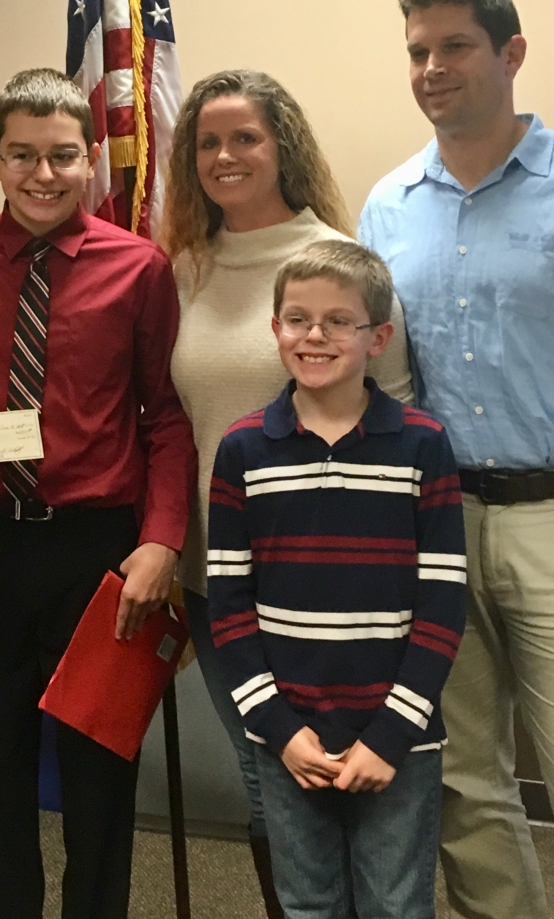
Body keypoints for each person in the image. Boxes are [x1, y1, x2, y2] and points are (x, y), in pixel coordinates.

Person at [0, 67, 196, 919]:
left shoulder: (138, 269)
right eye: (22, 155)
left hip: (95, 551)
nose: (43, 174)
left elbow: (166, 418)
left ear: (91, 159)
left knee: (100, 779)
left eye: (63, 156)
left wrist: (163, 539)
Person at [359, 0, 554, 918]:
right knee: (465, 784)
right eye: (417, 50)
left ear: (512, 54)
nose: (430, 68)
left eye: (453, 46)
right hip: (440, 522)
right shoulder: (389, 204)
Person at [161, 68, 412, 915]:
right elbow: (168, 419)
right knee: (269, 776)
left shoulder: (339, 260)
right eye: (207, 142)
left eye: (245, 138)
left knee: (358, 781)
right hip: (221, 578)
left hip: (336, 573)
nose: (225, 156)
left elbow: (400, 411)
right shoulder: (183, 269)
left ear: (283, 148)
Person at [208, 239, 466, 919]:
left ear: (378, 337)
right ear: (274, 330)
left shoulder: (422, 445)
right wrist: (279, 728)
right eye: (297, 318)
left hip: (397, 741)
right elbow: (229, 610)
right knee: (308, 903)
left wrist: (389, 736)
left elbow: (443, 605)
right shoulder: (242, 450)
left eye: (337, 321)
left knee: (395, 903)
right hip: (288, 737)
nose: (314, 335)